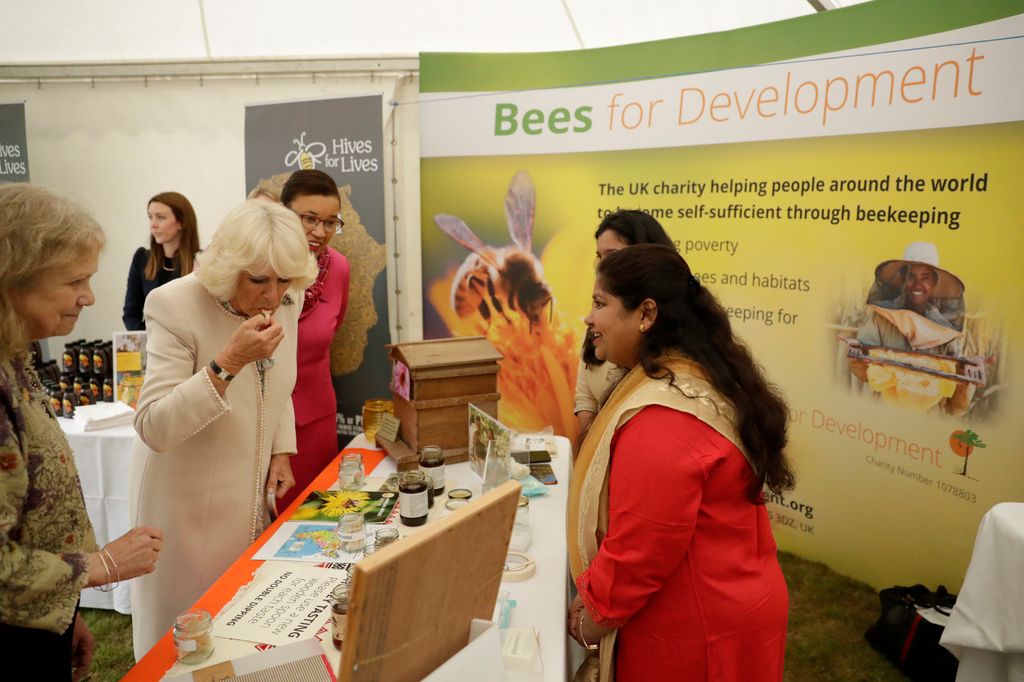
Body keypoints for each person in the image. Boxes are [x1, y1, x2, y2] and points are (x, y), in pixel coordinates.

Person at [567, 244, 793, 681]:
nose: (588, 318)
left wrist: (589, 619)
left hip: (699, 633)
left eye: (600, 304)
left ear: (646, 314)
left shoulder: (663, 417)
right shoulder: (692, 374)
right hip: (729, 602)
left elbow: (640, 551)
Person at [128, 200, 317, 658]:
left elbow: (278, 380)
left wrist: (281, 449)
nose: (274, 297)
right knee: (188, 638)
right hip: (185, 500)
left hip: (250, 491)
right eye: (259, 281)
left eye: (284, 281)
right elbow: (154, 424)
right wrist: (228, 361)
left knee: (245, 627)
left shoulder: (285, 297)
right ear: (230, 266)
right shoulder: (173, 303)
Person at [0, 184, 162, 681]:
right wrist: (99, 567)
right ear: (13, 280)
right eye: (75, 281)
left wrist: (63, 616)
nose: (88, 298)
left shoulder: (15, 356)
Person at [276, 170, 351, 510]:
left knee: (316, 521)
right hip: (264, 422)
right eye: (309, 219)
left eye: (331, 222)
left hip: (316, 421)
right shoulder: (259, 266)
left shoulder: (339, 268)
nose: (320, 232)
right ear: (283, 213)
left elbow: (330, 332)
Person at [574, 210, 676, 451]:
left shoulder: (675, 350)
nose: (603, 265)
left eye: (613, 255)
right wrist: (597, 450)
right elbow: (584, 397)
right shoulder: (599, 321)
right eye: (599, 256)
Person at [856, 241, 965, 356]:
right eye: (911, 276)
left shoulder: (944, 331)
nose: (917, 285)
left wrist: (970, 365)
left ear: (934, 283)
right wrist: (859, 350)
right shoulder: (881, 318)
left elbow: (955, 366)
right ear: (903, 279)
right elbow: (863, 356)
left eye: (925, 278)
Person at [122, 192, 200, 331]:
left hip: (189, 344)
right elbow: (131, 315)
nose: (153, 225)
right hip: (151, 344)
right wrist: (150, 339)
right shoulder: (142, 258)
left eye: (161, 217)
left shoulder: (201, 260)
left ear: (181, 222)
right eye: (150, 217)